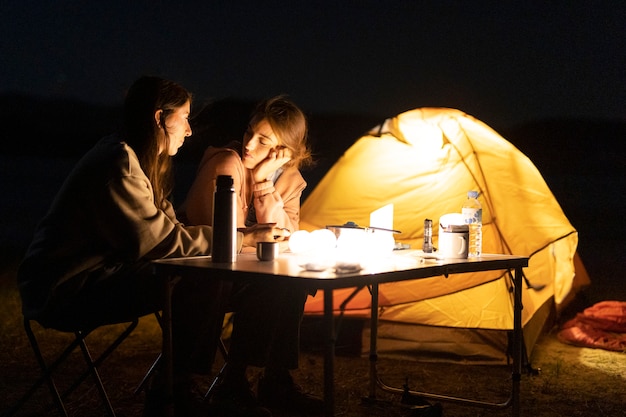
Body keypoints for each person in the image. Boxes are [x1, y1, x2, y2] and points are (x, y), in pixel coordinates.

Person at [16, 76, 286, 417]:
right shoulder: (119, 164)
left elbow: (168, 228)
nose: (189, 131)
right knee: (204, 277)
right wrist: (241, 239)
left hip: (102, 275)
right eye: (185, 118)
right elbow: (158, 242)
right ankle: (173, 393)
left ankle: (238, 382)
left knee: (260, 282)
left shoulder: (140, 161)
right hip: (66, 289)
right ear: (160, 118)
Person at [181, 96, 322, 416]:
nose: (249, 144)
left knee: (290, 281)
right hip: (200, 272)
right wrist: (258, 235)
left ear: (283, 151)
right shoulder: (226, 163)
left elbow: (285, 236)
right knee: (267, 283)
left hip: (242, 275)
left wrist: (262, 183)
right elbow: (216, 236)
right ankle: (218, 383)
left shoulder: (290, 179)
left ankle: (271, 380)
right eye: (249, 132)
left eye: (263, 140)